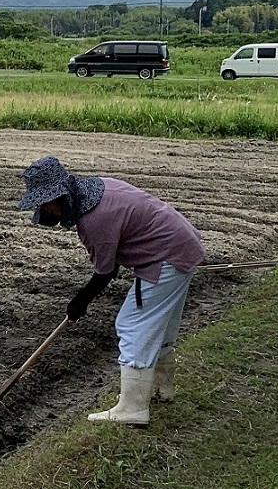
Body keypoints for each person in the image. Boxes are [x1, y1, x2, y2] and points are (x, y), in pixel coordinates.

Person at [17, 155, 205, 426]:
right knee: (159, 326)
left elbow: (106, 272)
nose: (47, 212)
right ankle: (162, 388)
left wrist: (80, 301)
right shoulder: (98, 188)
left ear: (57, 198)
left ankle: (133, 409)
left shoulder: (94, 220)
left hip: (165, 257)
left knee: (132, 325)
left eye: (45, 205)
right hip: (178, 248)